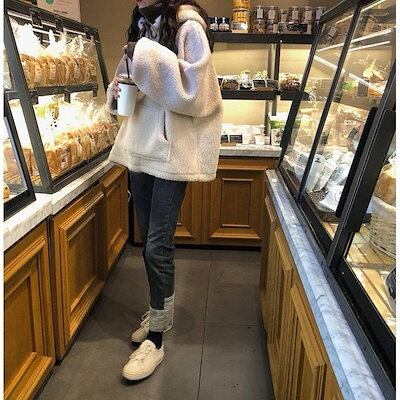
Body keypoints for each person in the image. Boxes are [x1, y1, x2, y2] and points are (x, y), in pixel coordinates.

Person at [106, 0, 223, 381]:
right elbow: (131, 88)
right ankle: (159, 312)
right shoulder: (142, 26)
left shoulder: (188, 27)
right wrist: (118, 90)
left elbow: (196, 94)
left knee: (158, 244)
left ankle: (156, 339)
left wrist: (143, 54)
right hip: (140, 148)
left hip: (171, 155)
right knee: (148, 241)